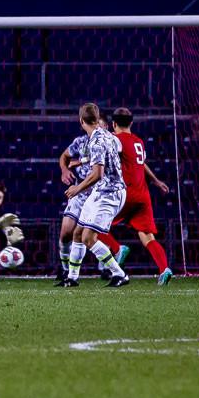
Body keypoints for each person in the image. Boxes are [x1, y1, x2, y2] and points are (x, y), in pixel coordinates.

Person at [97, 107, 173, 285]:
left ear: (114, 124)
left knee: (93, 226)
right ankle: (164, 269)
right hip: (142, 195)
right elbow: (141, 163)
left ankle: (117, 249)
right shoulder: (139, 142)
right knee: (147, 236)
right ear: (131, 123)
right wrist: (155, 181)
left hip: (124, 193)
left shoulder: (115, 140)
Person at [59, 103, 129, 288]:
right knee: (77, 233)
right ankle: (72, 278)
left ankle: (119, 274)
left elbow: (97, 174)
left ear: (81, 121)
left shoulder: (95, 141)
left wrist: (77, 188)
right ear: (97, 120)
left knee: (88, 238)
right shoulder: (107, 135)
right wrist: (81, 160)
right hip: (102, 190)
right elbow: (117, 150)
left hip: (110, 192)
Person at [57, 116, 114, 281]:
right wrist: (64, 170)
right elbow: (64, 157)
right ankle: (65, 269)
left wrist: (80, 161)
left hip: (100, 193)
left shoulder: (109, 143)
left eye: (102, 127)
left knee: (96, 233)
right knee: (66, 232)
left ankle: (106, 268)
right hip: (80, 193)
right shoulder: (80, 142)